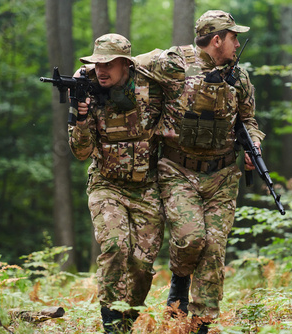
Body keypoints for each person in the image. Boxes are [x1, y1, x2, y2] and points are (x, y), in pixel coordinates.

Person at [139, 10, 264, 333]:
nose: (237, 43)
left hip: (222, 176)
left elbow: (249, 120)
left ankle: (201, 323)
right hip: (178, 170)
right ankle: (179, 280)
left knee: (213, 248)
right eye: (233, 37)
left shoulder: (240, 77)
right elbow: (129, 65)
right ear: (217, 39)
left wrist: (255, 146)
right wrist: (91, 71)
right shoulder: (173, 63)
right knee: (190, 239)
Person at [68, 33, 164, 333]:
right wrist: (82, 118)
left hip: (147, 187)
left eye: (109, 64)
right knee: (114, 248)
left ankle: (126, 320)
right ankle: (111, 324)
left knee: (141, 265)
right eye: (97, 64)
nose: (101, 70)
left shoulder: (151, 85)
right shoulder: (86, 91)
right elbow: (81, 152)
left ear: (126, 63)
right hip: (106, 184)